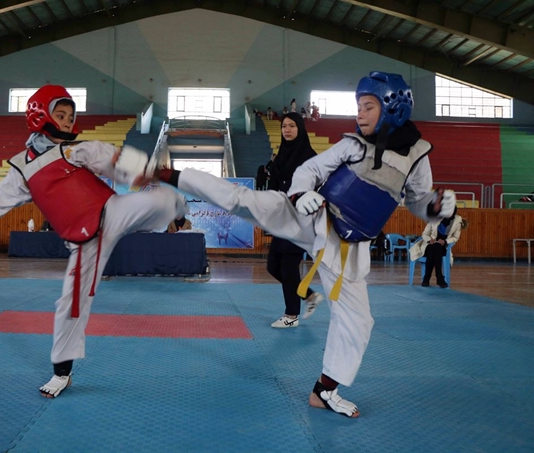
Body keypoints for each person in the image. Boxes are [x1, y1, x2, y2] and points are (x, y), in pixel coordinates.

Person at [149, 72, 456, 418]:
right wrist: (301, 193)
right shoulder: (353, 143)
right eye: (359, 106)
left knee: (358, 320)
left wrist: (435, 207)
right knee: (244, 200)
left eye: (368, 107)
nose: (360, 114)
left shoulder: (417, 155)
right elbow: (310, 169)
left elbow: (418, 200)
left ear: (393, 108)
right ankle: (169, 174)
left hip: (348, 246)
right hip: (311, 216)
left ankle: (325, 390)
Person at [0, 85, 187, 399]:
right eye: (61, 114)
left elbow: (116, 163)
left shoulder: (77, 150)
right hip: (83, 243)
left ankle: (177, 208)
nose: (68, 121)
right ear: (40, 114)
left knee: (163, 198)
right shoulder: (22, 168)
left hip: (111, 213)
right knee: (70, 305)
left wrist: (151, 173)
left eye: (71, 116)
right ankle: (62, 373)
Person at [266, 112, 324, 328]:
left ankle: (291, 316)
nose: (287, 130)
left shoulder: (310, 156)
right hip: (281, 219)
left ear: (300, 128)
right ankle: (308, 295)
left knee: (289, 267)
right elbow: (274, 186)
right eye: (284, 126)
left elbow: (318, 186)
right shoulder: (280, 155)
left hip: (300, 220)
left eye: (291, 126)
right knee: (273, 266)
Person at [418, 208, 465, 287]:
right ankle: (439, 277)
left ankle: (426, 278)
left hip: (443, 247)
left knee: (436, 248)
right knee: (434, 247)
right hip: (430, 245)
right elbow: (424, 234)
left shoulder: (457, 221)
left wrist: (445, 241)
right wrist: (430, 240)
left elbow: (455, 237)